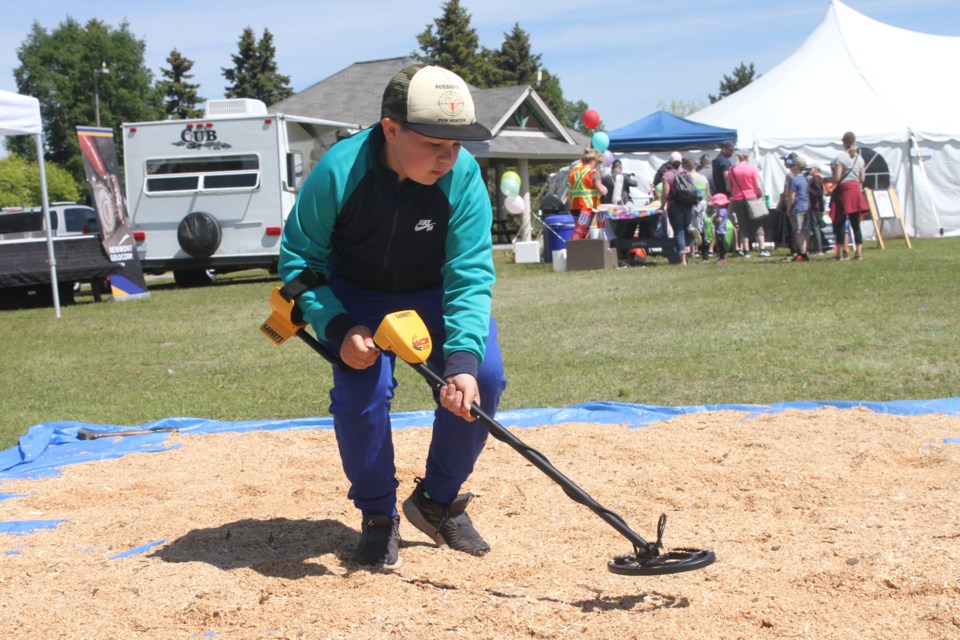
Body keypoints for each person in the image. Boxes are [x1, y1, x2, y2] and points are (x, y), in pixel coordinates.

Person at [278, 64, 507, 570]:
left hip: (432, 292)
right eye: (433, 145)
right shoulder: (338, 171)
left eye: (457, 145)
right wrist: (337, 327)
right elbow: (299, 262)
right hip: (355, 294)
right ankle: (379, 516)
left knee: (483, 378)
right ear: (391, 129)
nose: (448, 158)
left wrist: (463, 360)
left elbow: (468, 274)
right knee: (363, 391)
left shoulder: (464, 177)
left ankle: (437, 501)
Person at [829, 131, 870, 261]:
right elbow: (862, 178)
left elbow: (837, 177)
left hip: (844, 191)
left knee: (840, 222)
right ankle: (858, 253)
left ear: (844, 142)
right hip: (856, 190)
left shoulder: (840, 157)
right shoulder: (860, 159)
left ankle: (840, 253)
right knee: (856, 225)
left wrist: (826, 179)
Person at [726, 148, 768, 257]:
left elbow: (728, 187)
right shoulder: (751, 168)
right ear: (747, 156)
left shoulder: (732, 169)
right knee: (757, 224)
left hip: (738, 199)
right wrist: (761, 196)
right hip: (752, 198)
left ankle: (746, 251)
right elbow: (758, 186)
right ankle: (762, 249)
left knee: (742, 224)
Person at [660, 151, 694, 265]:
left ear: (670, 162)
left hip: (674, 206)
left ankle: (683, 260)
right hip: (688, 205)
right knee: (685, 229)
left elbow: (665, 193)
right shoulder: (686, 173)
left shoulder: (667, 175)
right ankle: (692, 236)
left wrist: (661, 206)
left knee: (678, 231)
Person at [568, 148, 608, 240]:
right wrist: (605, 190)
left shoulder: (574, 172)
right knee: (579, 236)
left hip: (575, 206)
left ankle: (576, 252)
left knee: (579, 234)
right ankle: (574, 253)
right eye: (597, 163)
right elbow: (601, 190)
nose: (596, 166)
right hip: (587, 207)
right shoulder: (593, 173)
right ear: (593, 160)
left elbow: (570, 190)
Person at [784, 155, 811, 261]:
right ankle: (804, 251)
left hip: (798, 207)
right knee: (805, 231)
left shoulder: (794, 180)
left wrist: (788, 208)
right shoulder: (804, 179)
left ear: (796, 167)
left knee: (798, 231)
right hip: (806, 206)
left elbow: (792, 196)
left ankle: (803, 253)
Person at [685, 157, 711, 259]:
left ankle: (692, 251)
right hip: (703, 203)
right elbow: (708, 193)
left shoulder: (687, 177)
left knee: (690, 226)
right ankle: (704, 253)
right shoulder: (703, 177)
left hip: (692, 204)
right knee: (702, 227)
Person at [806, 163, 827, 255]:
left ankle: (819, 249)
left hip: (816, 206)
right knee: (815, 227)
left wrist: (808, 189)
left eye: (810, 169)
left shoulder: (816, 179)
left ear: (815, 169)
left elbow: (819, 193)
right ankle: (818, 247)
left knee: (816, 228)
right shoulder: (815, 179)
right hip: (816, 206)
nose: (808, 171)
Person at [707, 193, 732, 263]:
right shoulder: (724, 210)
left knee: (721, 246)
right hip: (721, 230)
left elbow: (720, 219)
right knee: (720, 246)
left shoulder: (721, 211)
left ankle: (723, 258)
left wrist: (714, 219)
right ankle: (722, 257)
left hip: (721, 231)